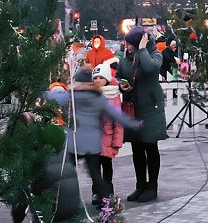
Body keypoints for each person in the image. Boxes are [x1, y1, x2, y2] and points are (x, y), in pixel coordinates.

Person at [44, 66, 141, 206]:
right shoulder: (98, 98)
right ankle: (107, 202)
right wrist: (133, 123)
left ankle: (66, 201)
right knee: (96, 175)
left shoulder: (71, 96)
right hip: (93, 144)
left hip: (74, 143)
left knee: (66, 173)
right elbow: (115, 114)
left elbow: (53, 96)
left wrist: (39, 92)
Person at [116, 26, 168, 203]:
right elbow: (119, 76)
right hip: (133, 107)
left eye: (130, 44)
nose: (127, 46)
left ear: (139, 43)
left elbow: (151, 69)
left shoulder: (154, 54)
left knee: (150, 146)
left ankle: (152, 186)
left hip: (150, 107)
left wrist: (143, 49)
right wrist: (121, 85)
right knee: (136, 147)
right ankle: (140, 185)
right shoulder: (126, 58)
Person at [93, 63, 124, 202]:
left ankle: (108, 192)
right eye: (95, 78)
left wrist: (117, 141)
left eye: (100, 77)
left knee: (106, 165)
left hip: (107, 136)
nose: (97, 80)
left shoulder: (113, 95)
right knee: (94, 167)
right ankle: (96, 191)